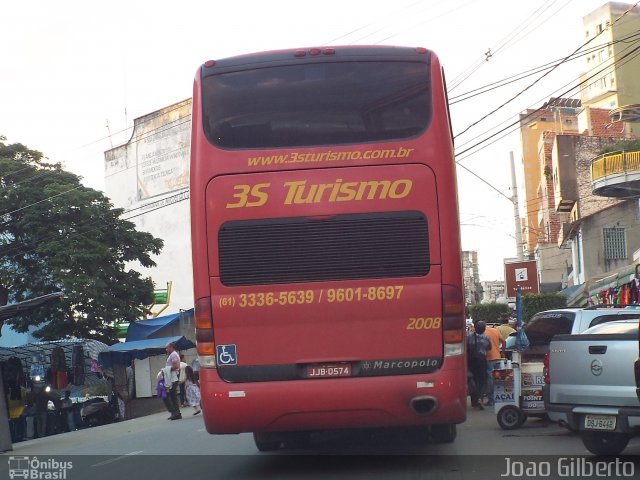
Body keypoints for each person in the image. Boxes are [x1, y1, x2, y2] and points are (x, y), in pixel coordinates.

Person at [466, 320, 491, 410]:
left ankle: (474, 401)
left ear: (475, 328)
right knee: (482, 380)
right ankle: (480, 398)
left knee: (472, 379)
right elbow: (489, 348)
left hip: (471, 361)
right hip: (482, 361)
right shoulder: (486, 338)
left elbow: (466, 347)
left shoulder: (468, 337)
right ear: (484, 329)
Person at [483, 324, 506, 406]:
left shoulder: (483, 332)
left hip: (488, 359)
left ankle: (491, 399)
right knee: (498, 379)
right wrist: (502, 352)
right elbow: (504, 341)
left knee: (490, 380)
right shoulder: (495, 331)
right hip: (497, 358)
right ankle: (500, 397)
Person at [163, 341, 182, 420]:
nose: (166, 349)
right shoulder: (172, 354)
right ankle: (176, 413)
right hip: (172, 377)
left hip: (173, 377)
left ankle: (175, 412)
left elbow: (176, 366)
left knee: (168, 395)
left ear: (171, 347)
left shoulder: (173, 354)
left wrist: (165, 370)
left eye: (167, 348)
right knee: (171, 395)